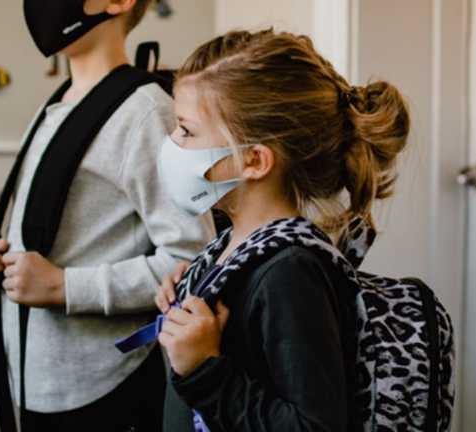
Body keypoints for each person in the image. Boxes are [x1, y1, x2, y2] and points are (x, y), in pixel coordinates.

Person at [0, 0, 214, 430]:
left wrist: (64, 286)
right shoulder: (55, 107)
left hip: (101, 386)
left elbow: (192, 258)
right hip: (31, 378)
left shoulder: (144, 112)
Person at [154, 29, 410, 431]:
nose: (172, 143)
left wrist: (205, 369)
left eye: (187, 131)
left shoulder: (289, 273)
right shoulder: (237, 244)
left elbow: (314, 425)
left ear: (254, 160)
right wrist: (193, 290)